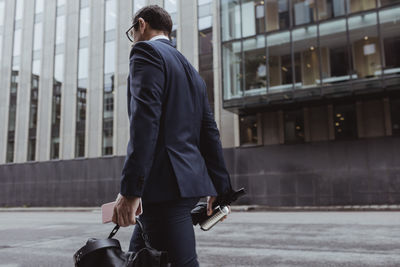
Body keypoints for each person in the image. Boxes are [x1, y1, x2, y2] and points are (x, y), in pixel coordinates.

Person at [112, 5, 233, 267]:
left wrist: (130, 190)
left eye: (131, 32)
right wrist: (221, 189)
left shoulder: (145, 52)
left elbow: (145, 123)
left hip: (164, 188)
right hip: (183, 183)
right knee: (137, 261)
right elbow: (209, 131)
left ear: (141, 25)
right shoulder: (191, 71)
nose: (132, 39)